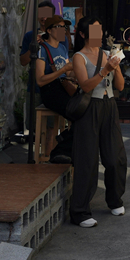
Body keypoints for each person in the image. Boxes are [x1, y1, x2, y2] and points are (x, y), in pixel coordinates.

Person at [68, 16, 127, 228]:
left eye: (100, 30)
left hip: (109, 105)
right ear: (83, 34)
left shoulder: (107, 54)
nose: (99, 35)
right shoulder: (79, 57)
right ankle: (80, 211)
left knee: (115, 157)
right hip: (89, 108)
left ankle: (115, 200)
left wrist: (115, 67)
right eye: (95, 31)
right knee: (87, 160)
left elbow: (120, 86)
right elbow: (85, 86)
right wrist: (105, 70)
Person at [33, 16, 79, 162]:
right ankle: (60, 151)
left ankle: (64, 141)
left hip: (64, 87)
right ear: (49, 30)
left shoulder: (62, 48)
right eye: (59, 27)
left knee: (87, 112)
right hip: (50, 91)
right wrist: (63, 70)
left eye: (64, 28)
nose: (63, 30)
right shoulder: (42, 49)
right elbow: (40, 80)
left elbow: (68, 73)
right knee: (78, 115)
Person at [19, 1, 57, 67]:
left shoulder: (58, 35)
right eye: (41, 13)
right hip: (34, 72)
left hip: (55, 72)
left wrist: (47, 44)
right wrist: (33, 47)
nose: (44, 17)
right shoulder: (29, 35)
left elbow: (63, 59)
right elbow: (23, 62)